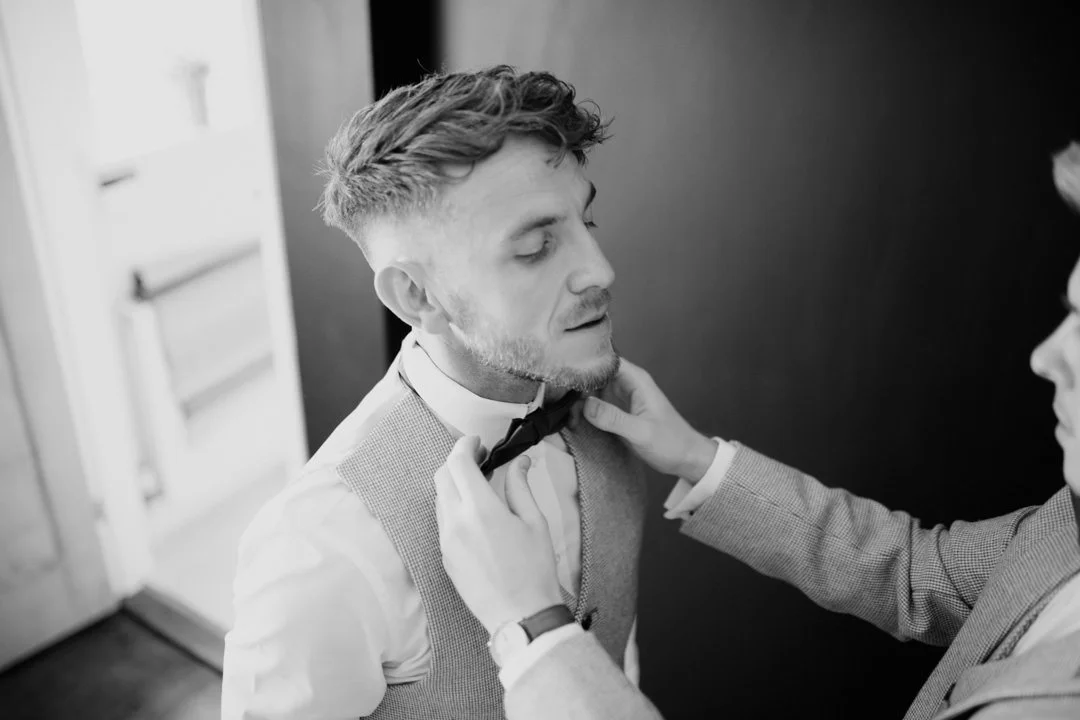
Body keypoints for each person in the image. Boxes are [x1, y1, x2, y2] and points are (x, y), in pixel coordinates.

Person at [434, 142, 1080, 720]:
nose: (1046, 356)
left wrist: (535, 631)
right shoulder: (1068, 530)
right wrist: (696, 458)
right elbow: (917, 571)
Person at [219, 66, 701, 718]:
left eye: (587, 222)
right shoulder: (317, 546)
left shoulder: (612, 412)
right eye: (536, 248)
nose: (599, 269)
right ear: (417, 296)